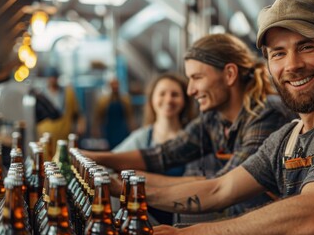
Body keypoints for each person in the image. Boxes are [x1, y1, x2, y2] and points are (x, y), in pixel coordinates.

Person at [148, 0, 314, 235]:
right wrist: (125, 188)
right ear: (268, 65)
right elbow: (219, 189)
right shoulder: (286, 139)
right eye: (278, 53)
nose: (293, 65)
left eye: (306, 47)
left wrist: (189, 233)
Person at [83, 33, 295, 219]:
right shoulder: (214, 119)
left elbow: (221, 187)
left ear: (230, 74)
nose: (191, 90)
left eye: (197, 78)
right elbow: (163, 154)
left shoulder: (266, 114)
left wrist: (126, 187)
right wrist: (93, 157)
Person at [112, 73, 197, 224]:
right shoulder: (142, 137)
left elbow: (203, 184)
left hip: (185, 223)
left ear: (185, 100)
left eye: (175, 94)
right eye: (162, 94)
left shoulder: (196, 139)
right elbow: (111, 164)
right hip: (148, 223)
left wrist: (144, 178)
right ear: (152, 99)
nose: (168, 99)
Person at [36, 67, 86, 157]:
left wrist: (80, 125)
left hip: (64, 134)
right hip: (46, 135)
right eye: (50, 77)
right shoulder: (40, 94)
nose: (52, 80)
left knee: (63, 158)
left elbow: (77, 112)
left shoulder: (68, 93)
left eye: (54, 77)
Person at [93, 77, 135, 149]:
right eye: (113, 84)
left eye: (116, 84)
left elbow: (130, 116)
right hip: (110, 129)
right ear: (109, 86)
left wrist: (132, 128)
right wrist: (96, 129)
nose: (115, 86)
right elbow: (98, 117)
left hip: (122, 129)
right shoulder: (103, 101)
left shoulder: (125, 99)